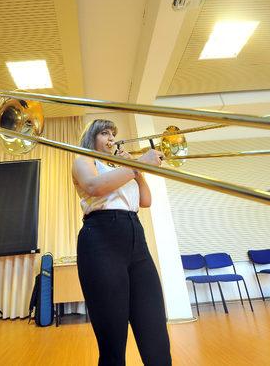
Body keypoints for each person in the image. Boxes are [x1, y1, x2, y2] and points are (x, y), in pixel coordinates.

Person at [72, 119, 172, 366]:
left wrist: (135, 170)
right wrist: (136, 165)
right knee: (112, 340)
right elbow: (94, 187)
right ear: (92, 138)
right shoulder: (84, 160)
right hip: (101, 239)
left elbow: (146, 200)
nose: (111, 138)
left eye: (113, 134)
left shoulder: (122, 168)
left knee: (154, 329)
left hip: (135, 236)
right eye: (104, 133)